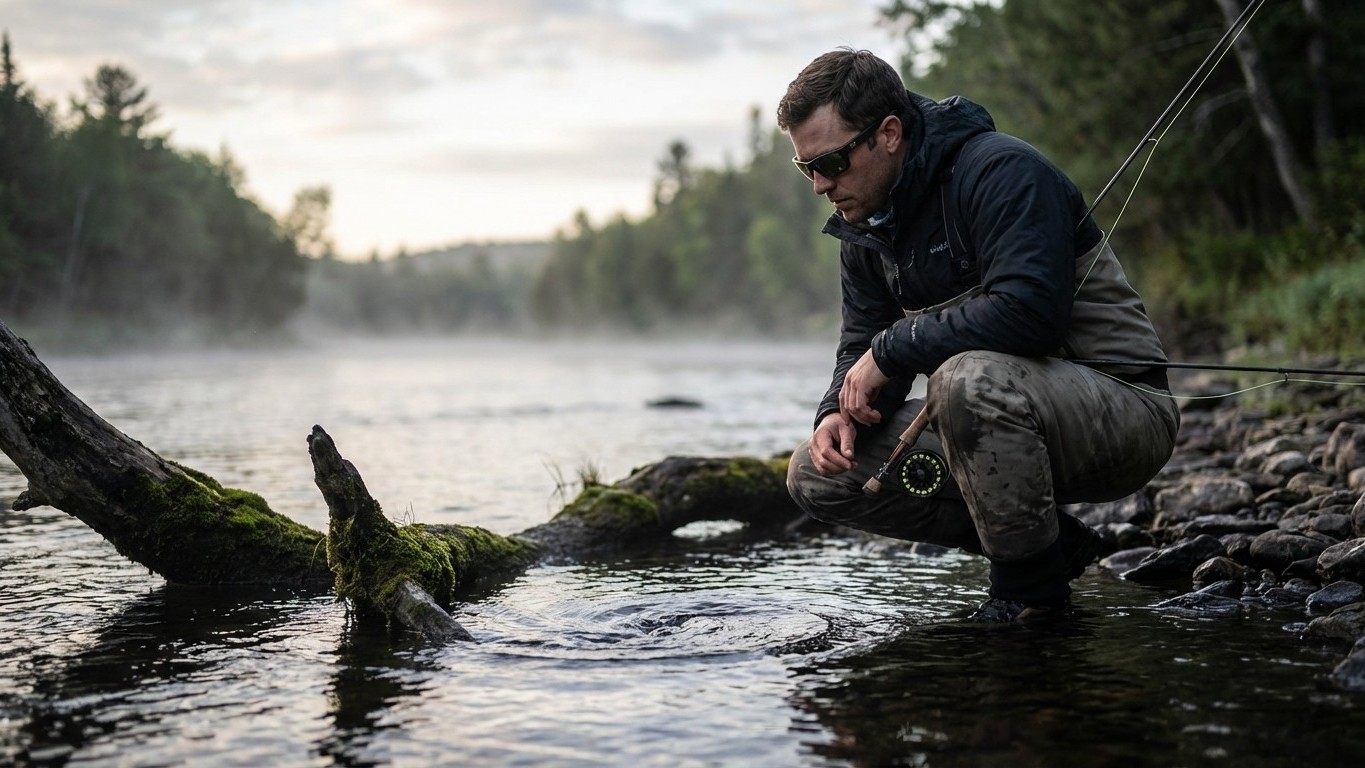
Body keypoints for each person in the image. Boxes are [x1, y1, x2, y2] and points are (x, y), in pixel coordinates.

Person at [780, 48, 1181, 623]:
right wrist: (836, 411)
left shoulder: (1000, 171)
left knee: (965, 379)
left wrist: (893, 349)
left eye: (833, 162)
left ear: (889, 133)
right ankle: (1051, 549)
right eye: (807, 168)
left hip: (1123, 410)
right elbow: (860, 342)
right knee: (817, 476)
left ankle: (1027, 598)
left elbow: (1031, 314)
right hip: (1000, 417)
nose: (821, 185)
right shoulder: (863, 224)